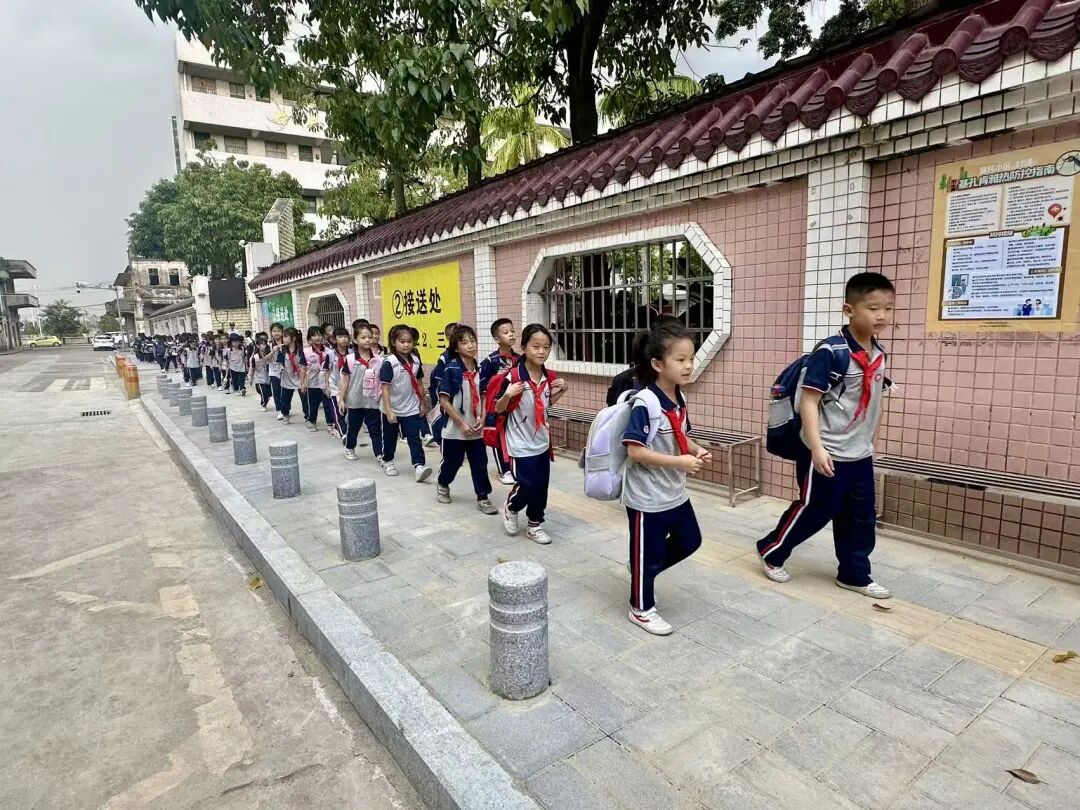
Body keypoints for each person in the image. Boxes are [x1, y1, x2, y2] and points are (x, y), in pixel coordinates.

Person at [757, 272, 896, 599]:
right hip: (826, 450)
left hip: (859, 452)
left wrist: (872, 441)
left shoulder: (878, 353)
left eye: (888, 308)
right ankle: (771, 550)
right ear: (849, 310)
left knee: (861, 517)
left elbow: (876, 399)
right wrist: (817, 449)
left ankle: (854, 574)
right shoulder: (831, 352)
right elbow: (809, 400)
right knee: (816, 509)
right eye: (873, 308)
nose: (882, 316)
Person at [621, 321, 712, 635]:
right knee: (648, 556)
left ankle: (641, 570)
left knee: (690, 540)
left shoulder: (678, 397)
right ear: (658, 364)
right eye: (680, 359)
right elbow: (635, 451)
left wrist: (696, 449)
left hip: (673, 491)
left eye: (691, 358)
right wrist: (680, 462)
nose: (688, 365)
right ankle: (641, 608)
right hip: (647, 497)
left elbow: (680, 435)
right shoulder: (646, 402)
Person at [494, 324, 568, 544]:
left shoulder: (548, 377)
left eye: (546, 347)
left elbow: (544, 404)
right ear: (524, 347)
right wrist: (507, 395)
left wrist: (562, 391)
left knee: (541, 486)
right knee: (526, 485)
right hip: (519, 442)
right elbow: (498, 408)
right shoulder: (513, 377)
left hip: (542, 441)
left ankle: (535, 524)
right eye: (536, 346)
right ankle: (511, 507)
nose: (541, 351)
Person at [436, 325, 498, 515]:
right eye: (464, 343)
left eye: (472, 341)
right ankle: (443, 483)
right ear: (456, 347)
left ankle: (483, 497)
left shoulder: (480, 369)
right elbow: (444, 401)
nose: (470, 346)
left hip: (476, 429)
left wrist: (483, 417)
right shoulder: (452, 369)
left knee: (480, 463)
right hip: (454, 430)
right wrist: (462, 424)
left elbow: (484, 394)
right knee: (452, 463)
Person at [379, 324, 433, 482]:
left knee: (414, 438)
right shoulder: (389, 363)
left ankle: (419, 465)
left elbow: (419, 383)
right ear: (393, 342)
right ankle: (387, 460)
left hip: (411, 407)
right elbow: (385, 388)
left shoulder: (415, 361)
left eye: (409, 341)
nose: (406, 345)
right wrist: (389, 411)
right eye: (402, 341)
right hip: (392, 408)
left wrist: (422, 402)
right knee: (390, 438)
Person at [479, 318, 519, 485]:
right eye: (506, 332)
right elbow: (483, 388)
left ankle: (514, 467)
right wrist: (484, 412)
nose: (511, 335)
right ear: (497, 339)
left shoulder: (519, 359)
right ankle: (504, 470)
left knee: (512, 436)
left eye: (512, 331)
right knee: (498, 438)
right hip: (497, 406)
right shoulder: (491, 361)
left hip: (515, 406)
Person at [339, 324, 381, 462]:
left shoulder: (378, 359)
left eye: (370, 337)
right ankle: (349, 447)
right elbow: (345, 380)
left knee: (375, 428)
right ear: (356, 340)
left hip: (372, 401)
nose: (368, 340)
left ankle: (379, 453)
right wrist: (342, 399)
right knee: (354, 427)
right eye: (363, 337)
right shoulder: (350, 359)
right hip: (355, 401)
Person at [426, 321, 459, 447]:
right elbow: (439, 380)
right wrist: (440, 399)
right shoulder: (445, 357)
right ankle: (438, 438)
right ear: (449, 338)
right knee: (442, 418)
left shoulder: (464, 356)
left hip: (458, 395)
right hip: (443, 394)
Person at [323, 326, 352, 441]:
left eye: (345, 336)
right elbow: (327, 370)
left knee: (347, 410)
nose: (343, 339)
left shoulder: (352, 353)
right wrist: (326, 386)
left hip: (348, 387)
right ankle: (344, 433)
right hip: (334, 386)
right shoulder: (330, 354)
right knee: (337, 410)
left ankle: (340, 427)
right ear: (334, 339)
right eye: (340, 337)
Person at [275, 327, 306, 425]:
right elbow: (279, 362)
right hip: (287, 378)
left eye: (286, 336)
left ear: (294, 338)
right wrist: (281, 367)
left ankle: (308, 417)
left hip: (299, 378)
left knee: (305, 399)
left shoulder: (301, 350)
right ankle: (285, 414)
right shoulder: (282, 350)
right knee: (285, 399)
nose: (283, 339)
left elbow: (304, 364)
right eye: (283, 337)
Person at [300, 326, 327, 431]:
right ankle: (311, 421)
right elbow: (303, 368)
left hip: (326, 382)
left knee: (327, 404)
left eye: (319, 335)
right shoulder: (306, 351)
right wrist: (303, 383)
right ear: (309, 338)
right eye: (314, 335)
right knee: (313, 404)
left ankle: (330, 423)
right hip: (312, 382)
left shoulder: (328, 351)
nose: (317, 337)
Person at [250, 334, 272, 410]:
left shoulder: (269, 355)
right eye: (262, 344)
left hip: (268, 378)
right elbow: (252, 368)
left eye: (265, 344)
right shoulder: (255, 357)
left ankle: (265, 401)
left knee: (269, 393)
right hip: (259, 379)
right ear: (258, 346)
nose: (263, 346)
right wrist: (251, 379)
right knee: (263, 393)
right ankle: (263, 404)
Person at [268, 322, 285, 420]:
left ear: (282, 332)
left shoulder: (286, 342)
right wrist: (273, 351)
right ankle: (279, 410)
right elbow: (265, 359)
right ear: (271, 332)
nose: (276, 333)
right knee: (276, 390)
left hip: (286, 371)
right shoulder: (268, 344)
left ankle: (285, 408)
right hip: (273, 371)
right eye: (274, 331)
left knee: (285, 391)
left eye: (278, 331)